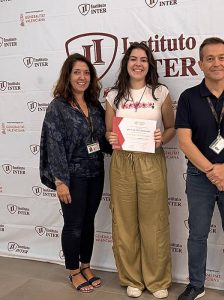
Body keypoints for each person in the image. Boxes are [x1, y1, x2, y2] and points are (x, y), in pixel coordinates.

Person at [175, 37, 224, 300]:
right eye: (209, 58)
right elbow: (184, 142)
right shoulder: (188, 98)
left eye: (221, 57)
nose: (216, 63)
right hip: (200, 177)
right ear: (200, 64)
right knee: (197, 234)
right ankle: (196, 285)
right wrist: (213, 171)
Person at [105, 42, 175, 299]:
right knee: (124, 221)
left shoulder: (160, 93)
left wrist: (162, 138)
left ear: (149, 64)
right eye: (133, 59)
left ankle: (157, 280)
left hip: (151, 160)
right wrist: (111, 138)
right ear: (126, 63)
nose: (138, 63)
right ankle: (131, 278)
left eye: (143, 59)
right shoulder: (114, 95)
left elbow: (170, 128)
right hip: (122, 161)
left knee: (154, 220)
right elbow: (108, 131)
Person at [40, 53, 111, 293]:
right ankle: (73, 271)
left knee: (88, 222)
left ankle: (86, 265)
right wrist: (60, 181)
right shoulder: (57, 107)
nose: (82, 77)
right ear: (68, 76)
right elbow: (54, 144)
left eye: (86, 73)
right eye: (77, 72)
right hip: (72, 176)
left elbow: (103, 138)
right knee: (73, 225)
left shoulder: (93, 104)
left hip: (95, 172)